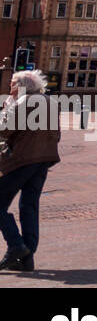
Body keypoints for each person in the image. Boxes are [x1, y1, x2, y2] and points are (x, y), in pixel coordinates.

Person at [0, 70, 61, 272]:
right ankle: (27, 258)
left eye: (12, 84)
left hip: (21, 161)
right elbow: (56, 135)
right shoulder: (50, 102)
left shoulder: (22, 102)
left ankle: (16, 246)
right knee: (29, 206)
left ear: (22, 86)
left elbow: (4, 129)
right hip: (43, 161)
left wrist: (6, 108)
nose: (10, 88)